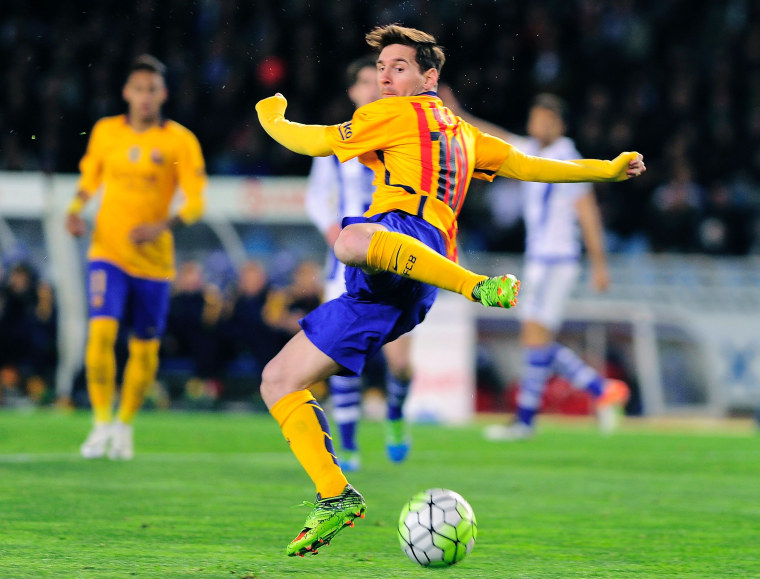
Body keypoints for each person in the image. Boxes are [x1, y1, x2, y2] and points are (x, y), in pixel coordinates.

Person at [255, 24, 645, 557]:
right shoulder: (462, 132)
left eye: (398, 67)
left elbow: (312, 140)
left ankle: (477, 285)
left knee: (350, 238)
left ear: (428, 76)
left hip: (408, 242)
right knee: (278, 380)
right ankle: (335, 495)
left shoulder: (389, 113)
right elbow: (528, 166)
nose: (384, 76)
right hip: (402, 283)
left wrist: (270, 115)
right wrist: (607, 169)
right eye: (382, 67)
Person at [440, 87, 632, 440]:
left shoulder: (568, 157)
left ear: (558, 124)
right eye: (534, 118)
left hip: (559, 260)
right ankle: (600, 391)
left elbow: (588, 214)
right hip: (539, 259)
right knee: (536, 339)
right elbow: (492, 134)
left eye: (544, 119)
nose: (537, 124)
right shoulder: (530, 150)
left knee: (534, 337)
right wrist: (456, 112)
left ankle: (528, 420)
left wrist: (600, 265)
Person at [66, 54, 207, 460]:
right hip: (107, 252)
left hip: (155, 261)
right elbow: (90, 174)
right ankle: (100, 423)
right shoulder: (106, 131)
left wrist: (162, 227)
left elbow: (196, 201)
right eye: (138, 89)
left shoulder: (179, 140)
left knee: (145, 347)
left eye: (153, 90)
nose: (145, 97)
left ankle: (124, 424)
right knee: (102, 332)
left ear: (162, 94)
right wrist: (75, 209)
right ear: (127, 92)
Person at [305, 55, 414, 472]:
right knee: (340, 356)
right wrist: (338, 235)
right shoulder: (337, 142)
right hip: (348, 264)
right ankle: (348, 448)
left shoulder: (404, 135)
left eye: (380, 79)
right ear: (352, 91)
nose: (374, 86)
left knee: (401, 364)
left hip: (400, 258)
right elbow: (317, 200)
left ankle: (397, 414)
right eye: (366, 80)